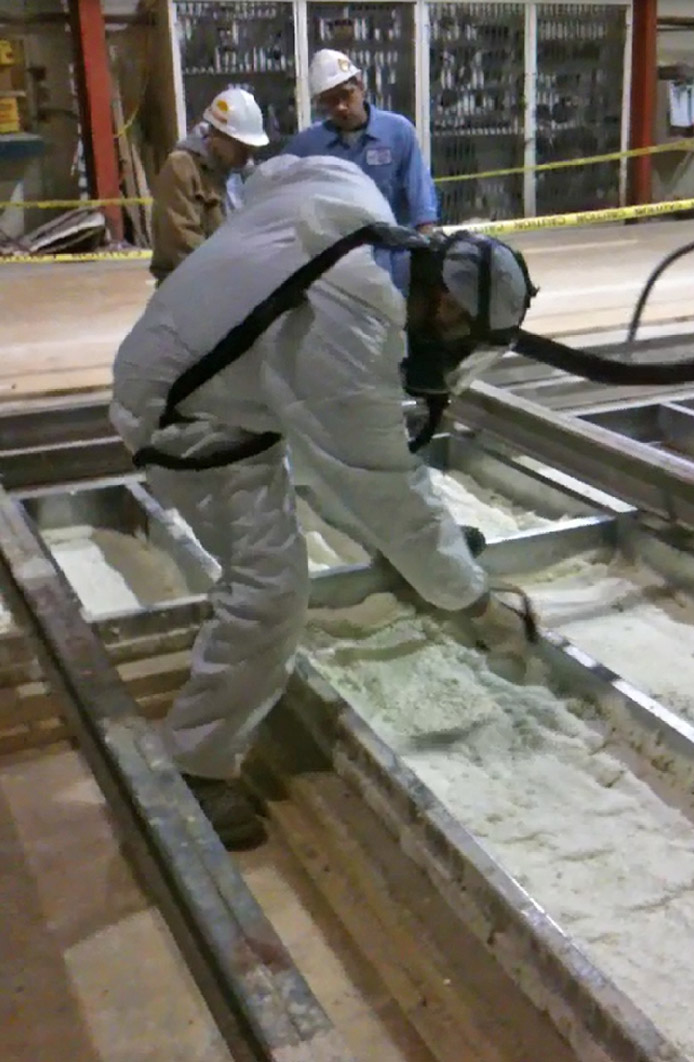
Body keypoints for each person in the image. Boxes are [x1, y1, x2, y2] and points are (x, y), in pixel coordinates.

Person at [110, 154, 537, 851]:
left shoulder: (355, 199)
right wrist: (478, 604)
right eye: (458, 336)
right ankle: (195, 767)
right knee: (272, 591)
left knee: (332, 467)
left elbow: (281, 171)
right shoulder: (354, 334)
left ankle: (426, 561)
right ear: (446, 304)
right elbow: (384, 482)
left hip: (195, 358)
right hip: (185, 418)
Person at [283, 49, 438, 233]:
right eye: (331, 100)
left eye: (346, 95)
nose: (341, 106)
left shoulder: (398, 133)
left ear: (361, 87)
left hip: (391, 254)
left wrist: (426, 252)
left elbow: (422, 206)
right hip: (335, 256)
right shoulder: (307, 146)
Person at [149, 87, 269, 285]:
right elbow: (182, 242)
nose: (247, 155)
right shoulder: (182, 168)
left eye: (251, 148)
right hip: (190, 287)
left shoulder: (243, 173)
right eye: (242, 147)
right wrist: (224, 282)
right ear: (216, 135)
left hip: (234, 281)